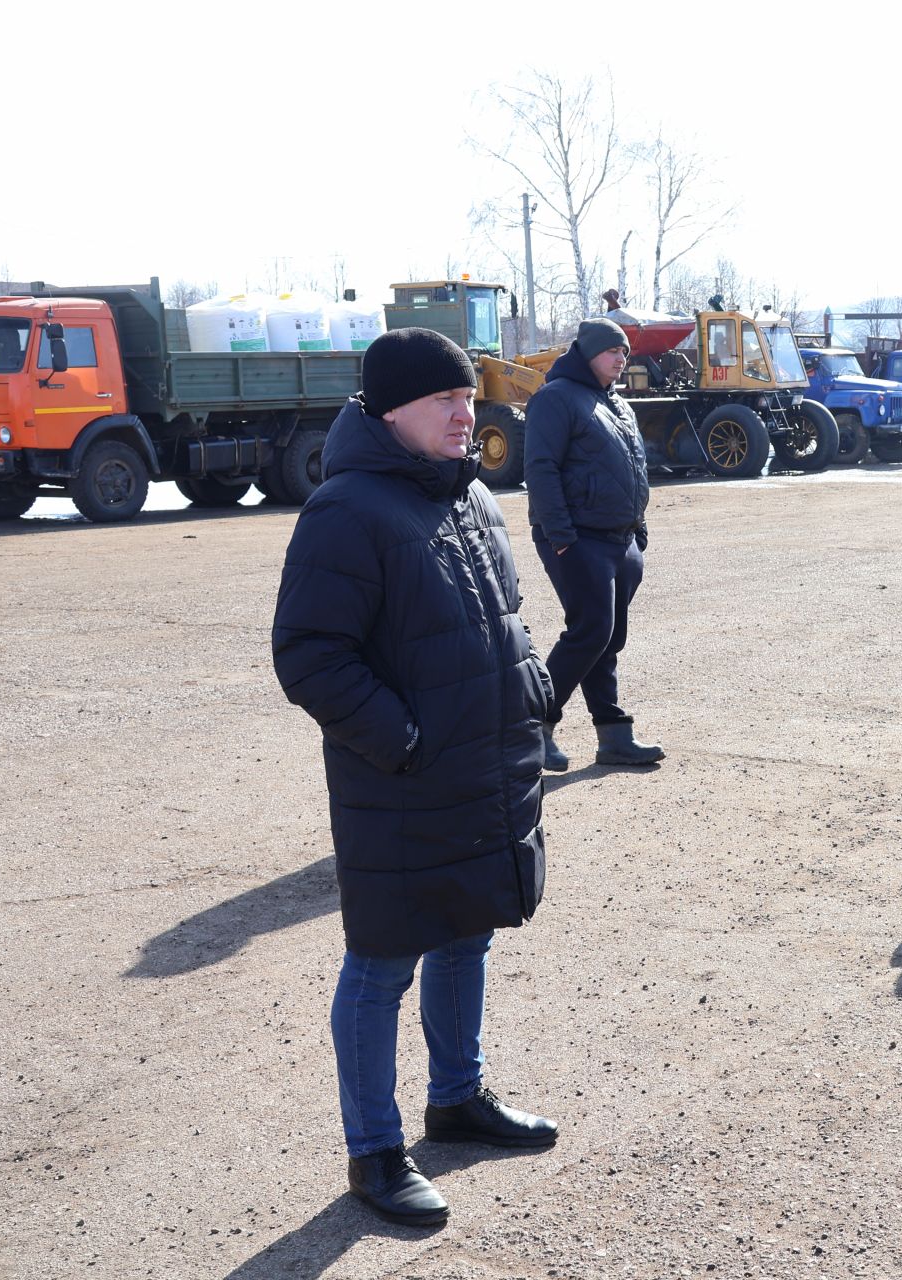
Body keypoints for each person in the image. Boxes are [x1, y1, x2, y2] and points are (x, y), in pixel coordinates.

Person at [273, 328, 561, 1228]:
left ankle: (456, 1099)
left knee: (466, 932)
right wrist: (403, 741)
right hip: (402, 784)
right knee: (381, 966)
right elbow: (309, 655)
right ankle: (375, 1151)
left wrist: (535, 691)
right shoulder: (348, 510)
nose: (465, 413)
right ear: (391, 408)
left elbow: (502, 616)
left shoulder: (468, 495)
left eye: (469, 397)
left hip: (480, 770)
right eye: (446, 399)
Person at [524, 318, 663, 771]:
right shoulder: (556, 398)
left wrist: (637, 531)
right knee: (591, 632)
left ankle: (614, 736)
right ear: (587, 353)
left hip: (620, 539)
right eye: (612, 351)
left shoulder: (617, 404)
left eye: (624, 352)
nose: (621, 359)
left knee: (608, 637)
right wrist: (561, 537)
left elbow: (634, 465)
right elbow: (540, 469)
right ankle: (534, 728)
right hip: (577, 538)